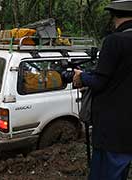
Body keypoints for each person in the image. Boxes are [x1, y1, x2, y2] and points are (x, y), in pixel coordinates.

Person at [73, 0, 132, 179]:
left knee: (105, 172)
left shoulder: (114, 41)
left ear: (114, 17)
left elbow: (100, 81)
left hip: (111, 128)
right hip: (128, 128)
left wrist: (81, 76)